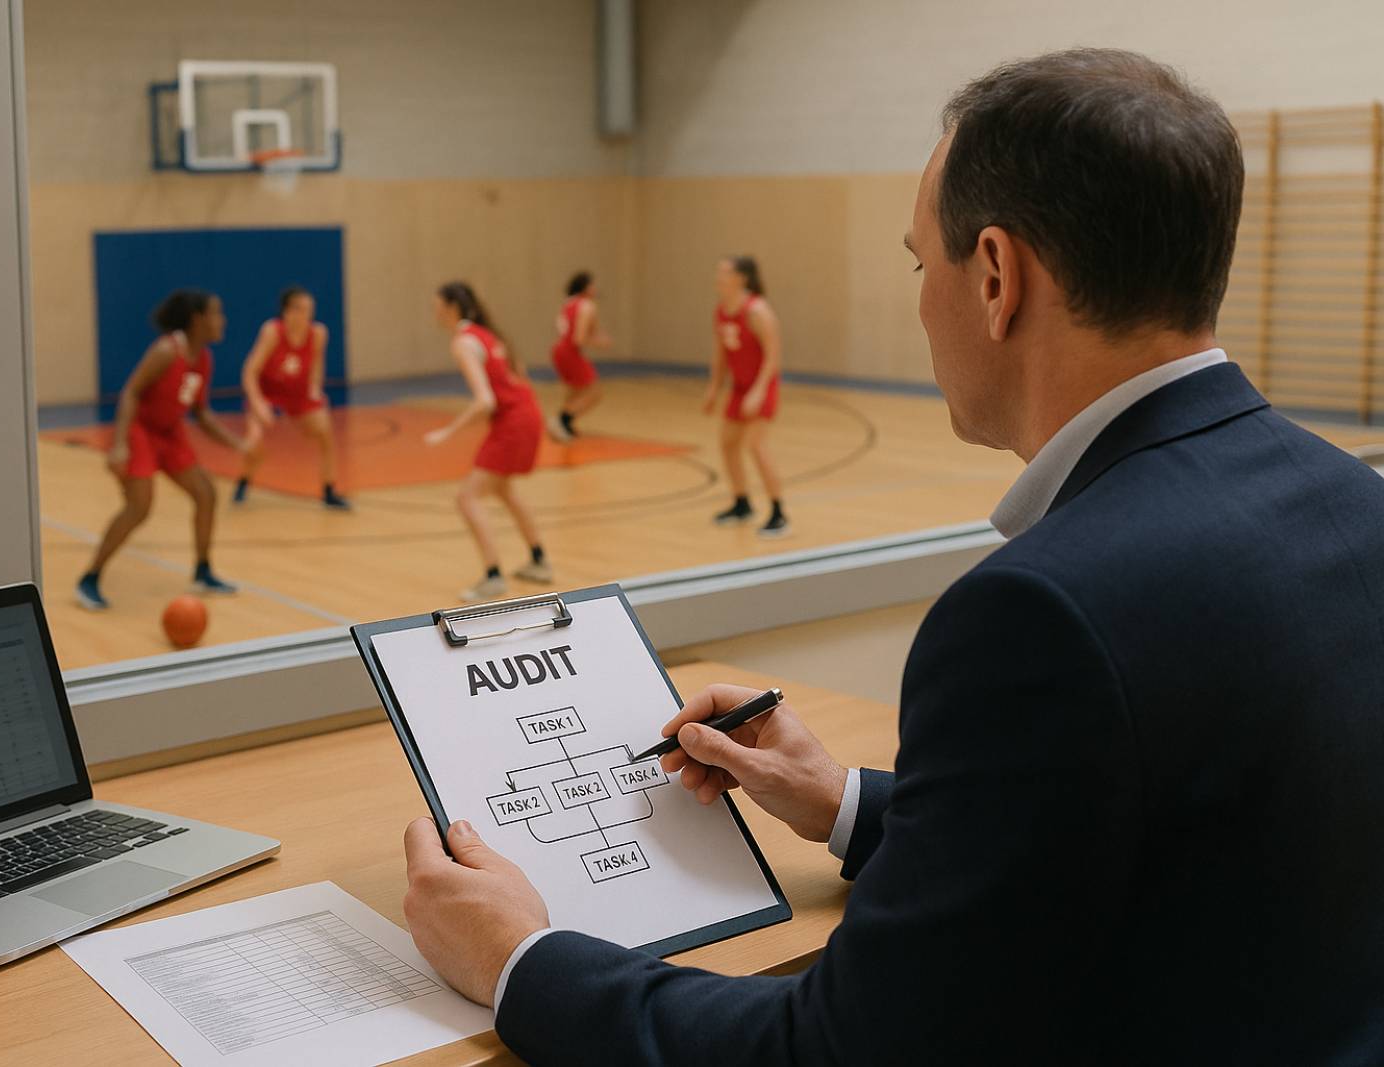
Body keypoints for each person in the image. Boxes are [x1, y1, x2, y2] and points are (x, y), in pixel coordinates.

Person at [399, 49, 1384, 1063]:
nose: (921, 299)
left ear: (996, 276)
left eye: (923, 264)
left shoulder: (1041, 612)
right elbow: (1188, 845)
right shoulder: (1359, 501)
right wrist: (847, 803)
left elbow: (835, 1051)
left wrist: (520, 956)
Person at [76, 290, 248, 610]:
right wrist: (119, 445)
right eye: (216, 313)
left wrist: (236, 443)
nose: (222, 320)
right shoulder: (168, 350)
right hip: (140, 432)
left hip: (170, 434)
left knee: (206, 493)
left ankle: (202, 570)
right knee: (139, 507)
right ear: (198, 320)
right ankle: (90, 578)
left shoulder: (204, 359)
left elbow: (201, 412)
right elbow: (131, 392)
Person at [424, 281, 553, 602]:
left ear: (452, 307)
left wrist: (447, 432)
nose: (434, 312)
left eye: (437, 305)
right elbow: (519, 375)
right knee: (503, 489)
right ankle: (539, 561)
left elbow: (485, 401)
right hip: (527, 413)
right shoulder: (489, 334)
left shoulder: (464, 342)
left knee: (467, 498)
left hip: (513, 421)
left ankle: (493, 575)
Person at [232, 285, 351, 511]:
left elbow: (316, 365)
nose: (307, 315)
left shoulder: (318, 333)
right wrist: (257, 403)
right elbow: (249, 371)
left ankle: (329, 491)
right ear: (288, 311)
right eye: (301, 309)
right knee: (255, 440)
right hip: (268, 393)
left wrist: (315, 389)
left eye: (309, 309)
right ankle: (244, 481)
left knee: (325, 432)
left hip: (298, 394)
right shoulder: (272, 331)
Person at [705, 256, 788, 537]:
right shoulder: (721, 311)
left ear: (741, 278)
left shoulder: (757, 311)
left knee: (756, 446)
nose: (718, 276)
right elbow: (720, 356)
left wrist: (758, 391)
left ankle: (779, 513)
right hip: (739, 388)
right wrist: (714, 388)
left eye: (724, 272)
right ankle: (742, 503)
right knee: (727, 444)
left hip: (761, 386)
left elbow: (773, 357)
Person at [545, 271, 611, 442]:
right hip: (570, 352)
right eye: (592, 285)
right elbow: (579, 338)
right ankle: (561, 419)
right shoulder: (587, 305)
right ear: (585, 287)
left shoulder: (569, 303)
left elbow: (562, 328)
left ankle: (566, 425)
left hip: (558, 350)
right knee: (595, 392)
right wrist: (600, 342)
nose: (595, 288)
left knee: (575, 391)